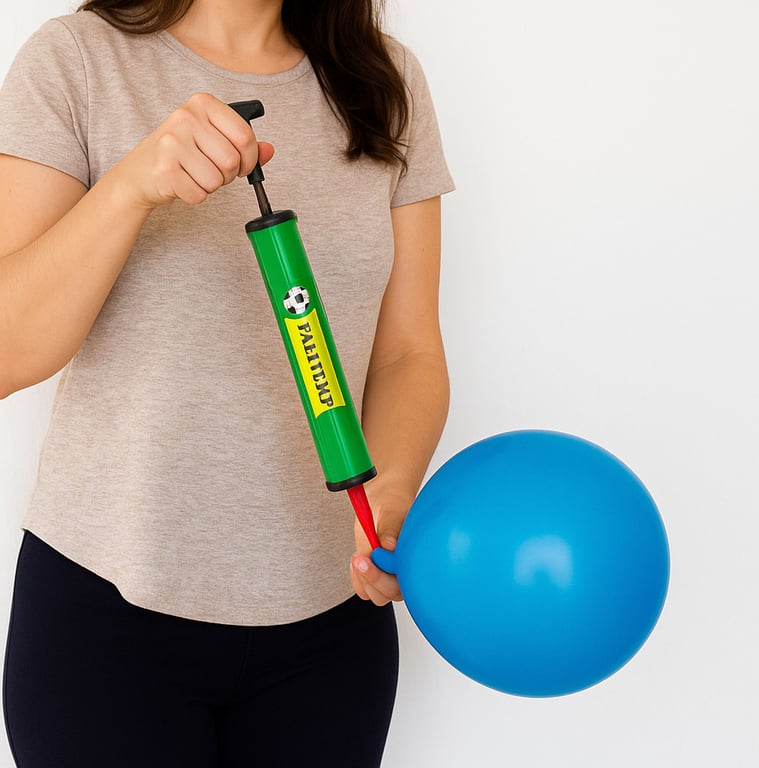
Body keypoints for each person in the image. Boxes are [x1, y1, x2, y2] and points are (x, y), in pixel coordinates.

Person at [0, 1, 453, 765]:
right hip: (107, 623)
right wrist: (130, 187)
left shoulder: (385, 80)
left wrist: (394, 487)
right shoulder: (76, 58)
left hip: (333, 628)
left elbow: (408, 351)